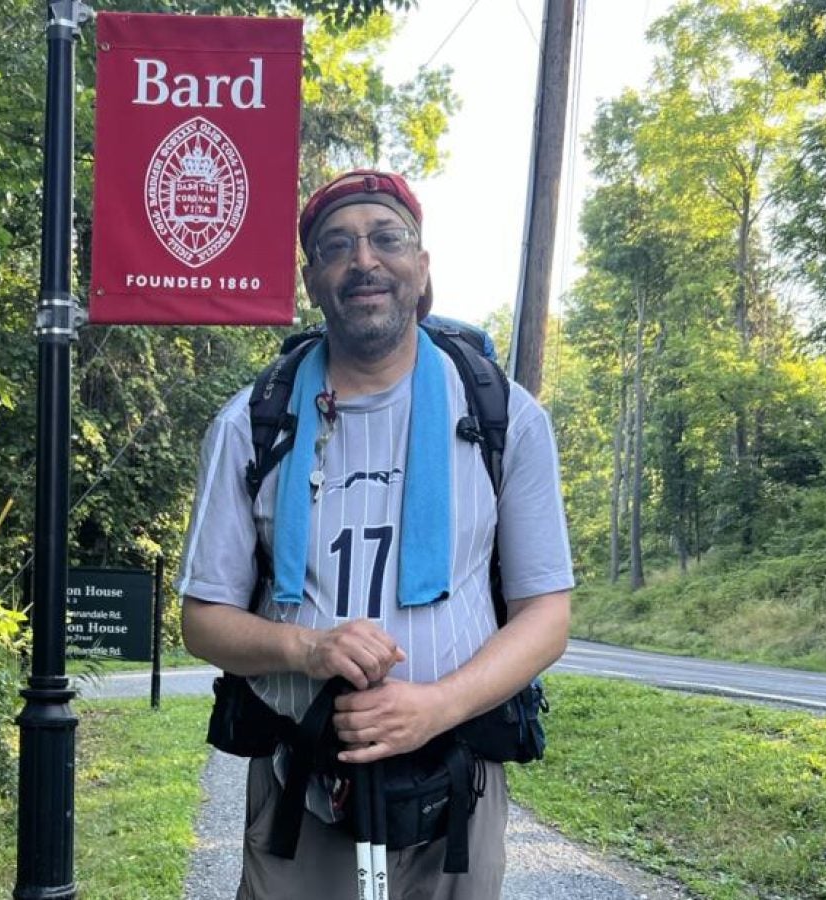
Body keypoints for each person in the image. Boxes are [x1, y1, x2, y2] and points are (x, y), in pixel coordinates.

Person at [178, 169, 573, 900]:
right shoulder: (251, 424)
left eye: (387, 239)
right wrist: (309, 648)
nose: (364, 261)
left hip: (458, 786)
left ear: (422, 271)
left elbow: (546, 615)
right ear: (313, 280)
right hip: (300, 782)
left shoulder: (503, 416)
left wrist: (436, 706)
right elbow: (202, 622)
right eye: (337, 246)